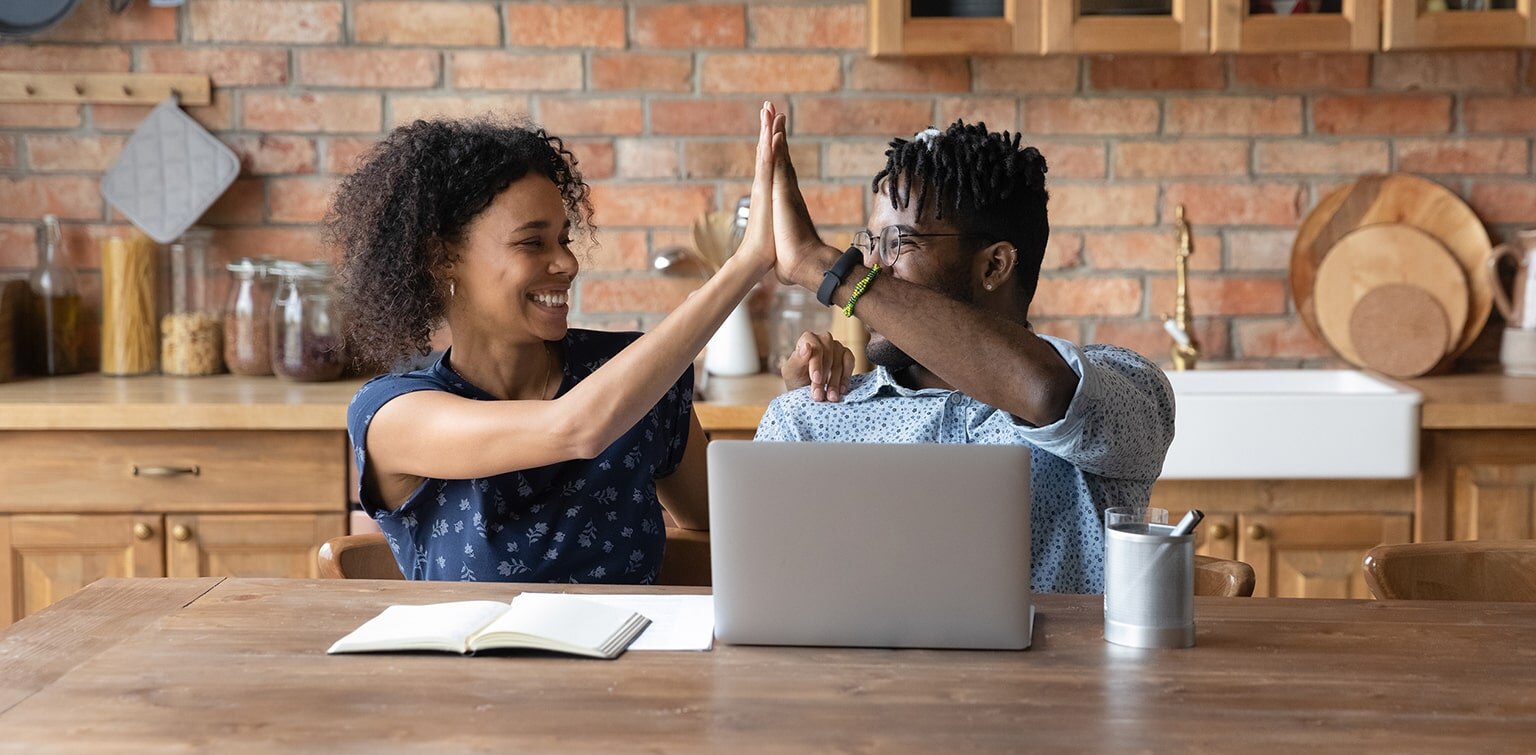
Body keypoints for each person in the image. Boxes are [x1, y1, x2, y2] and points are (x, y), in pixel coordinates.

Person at [333, 103, 787, 583]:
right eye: (532, 243)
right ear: (443, 258)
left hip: (640, 657)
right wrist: (745, 263)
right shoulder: (390, 413)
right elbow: (576, 428)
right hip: (477, 660)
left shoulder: (635, 378)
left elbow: (722, 531)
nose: (566, 264)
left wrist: (804, 399)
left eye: (564, 240)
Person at [758, 121, 1176, 595]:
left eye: (897, 243)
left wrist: (822, 269)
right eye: (870, 245)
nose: (872, 269)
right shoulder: (809, 419)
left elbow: (1045, 393)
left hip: (1063, 672)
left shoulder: (1128, 387)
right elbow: (776, 597)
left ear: (994, 266)